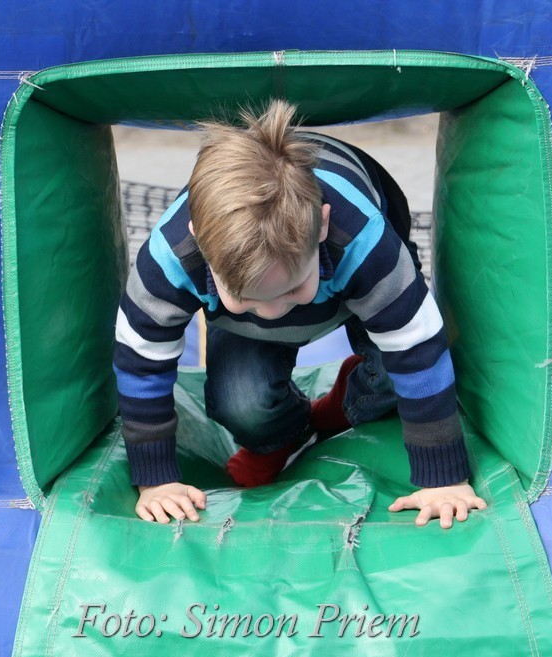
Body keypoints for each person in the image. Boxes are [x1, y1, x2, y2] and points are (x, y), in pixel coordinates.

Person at [113, 99, 487, 529]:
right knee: (242, 404)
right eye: (247, 297)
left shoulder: (362, 242)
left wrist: (444, 478)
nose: (273, 312)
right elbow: (140, 361)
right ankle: (281, 437)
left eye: (292, 288)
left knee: (395, 374)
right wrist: (155, 480)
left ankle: (343, 403)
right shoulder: (170, 259)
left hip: (348, 284)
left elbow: (417, 347)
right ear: (198, 244)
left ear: (322, 226)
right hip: (259, 312)